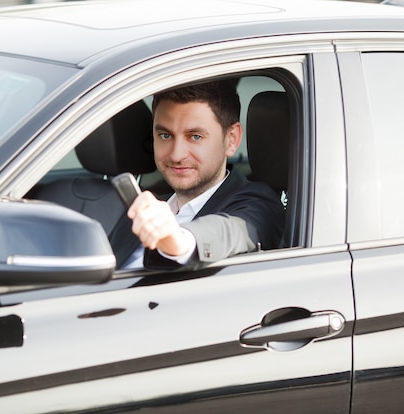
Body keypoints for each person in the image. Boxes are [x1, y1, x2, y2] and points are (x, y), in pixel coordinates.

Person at [118, 79, 285, 270]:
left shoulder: (258, 205)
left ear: (231, 139)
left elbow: (230, 232)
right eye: (165, 135)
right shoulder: (144, 208)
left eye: (195, 136)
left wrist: (176, 239)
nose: (176, 155)